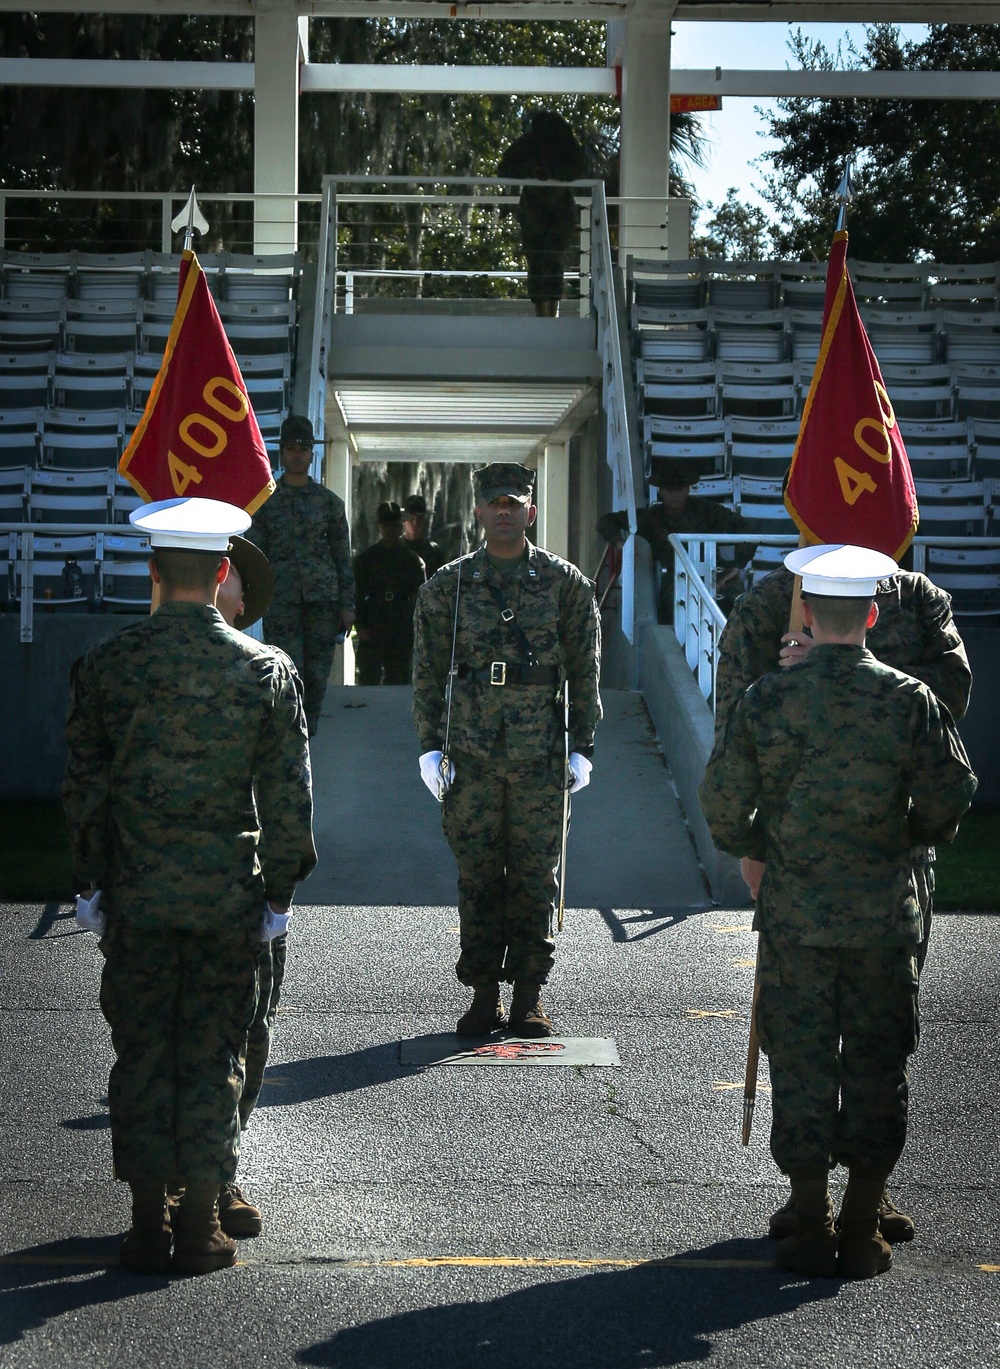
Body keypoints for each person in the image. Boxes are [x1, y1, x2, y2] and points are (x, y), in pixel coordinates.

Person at [700, 544, 977, 1280]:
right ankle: (860, 1225)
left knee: (801, 1060)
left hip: (797, 914)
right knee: (878, 1062)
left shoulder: (768, 696)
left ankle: (809, 1214)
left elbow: (723, 801)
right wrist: (904, 835)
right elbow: (952, 793)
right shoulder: (909, 700)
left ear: (808, 613)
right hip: (886, 916)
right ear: (872, 615)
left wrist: (770, 845)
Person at [63, 496, 317, 1277]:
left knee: (141, 1054)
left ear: (152, 571)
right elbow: (287, 798)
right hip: (226, 902)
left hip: (137, 896)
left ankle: (145, 1225)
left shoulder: (109, 663)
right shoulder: (265, 669)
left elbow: (84, 789)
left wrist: (93, 879)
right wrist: (280, 893)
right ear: (219, 572)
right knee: (212, 1055)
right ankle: (201, 1225)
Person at [412, 462, 602, 1037]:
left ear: (531, 511)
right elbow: (426, 669)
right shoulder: (449, 584)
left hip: (540, 752)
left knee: (535, 874)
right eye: (493, 503)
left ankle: (528, 995)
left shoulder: (564, 583)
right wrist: (428, 745)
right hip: (470, 751)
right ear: (477, 512)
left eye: (513, 503)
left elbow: (584, 667)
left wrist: (583, 745)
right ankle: (483, 994)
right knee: (477, 873)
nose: (503, 511)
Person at [213, 533, 290, 1240]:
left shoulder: (267, 671)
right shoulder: (126, 663)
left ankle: (218, 1172)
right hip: (161, 886)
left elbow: (287, 794)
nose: (223, 581)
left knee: (246, 1034)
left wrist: (282, 889)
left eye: (230, 574)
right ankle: (169, 1188)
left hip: (244, 881)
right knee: (163, 1039)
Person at [247, 414, 355, 736]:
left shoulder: (329, 504)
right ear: (282, 452)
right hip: (281, 601)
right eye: (291, 448)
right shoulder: (265, 503)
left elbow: (342, 556)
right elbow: (256, 554)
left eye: (303, 448)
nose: (297, 454)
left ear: (312, 453)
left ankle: (309, 733)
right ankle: (289, 733)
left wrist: (348, 605)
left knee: (318, 674)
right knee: (286, 669)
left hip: (323, 601)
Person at [597, 462, 756, 623]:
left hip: (715, 576)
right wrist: (619, 543)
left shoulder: (706, 510)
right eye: (669, 490)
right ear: (660, 491)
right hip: (675, 580)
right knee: (672, 612)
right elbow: (606, 522)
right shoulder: (651, 518)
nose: (674, 495)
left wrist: (738, 565)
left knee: (740, 604)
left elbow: (745, 527)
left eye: (679, 490)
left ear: (687, 490)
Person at [497, 111, 589, 317]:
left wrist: (553, 174)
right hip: (533, 210)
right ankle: (542, 312)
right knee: (537, 260)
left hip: (560, 210)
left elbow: (580, 170)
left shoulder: (566, 143)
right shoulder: (528, 144)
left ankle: (551, 313)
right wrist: (531, 171)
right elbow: (504, 168)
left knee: (552, 259)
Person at [353, 501, 427, 685]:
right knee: (369, 677)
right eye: (386, 525)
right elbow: (357, 594)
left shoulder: (412, 561)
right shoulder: (366, 559)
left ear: (401, 526)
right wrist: (360, 625)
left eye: (394, 525)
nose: (390, 530)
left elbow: (422, 598)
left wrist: (417, 629)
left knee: (399, 677)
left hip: (401, 621)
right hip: (373, 619)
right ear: (379, 527)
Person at [402, 494, 446, 577]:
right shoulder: (395, 548)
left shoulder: (434, 552)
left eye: (419, 518)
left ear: (424, 520)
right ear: (404, 519)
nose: (415, 522)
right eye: (411, 518)